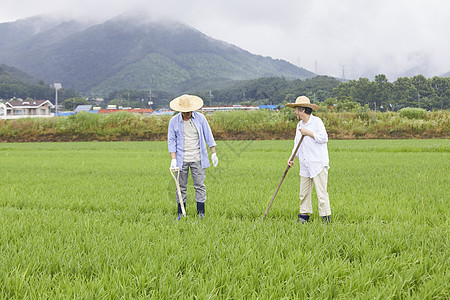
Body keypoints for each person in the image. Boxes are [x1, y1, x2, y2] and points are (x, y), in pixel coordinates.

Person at [167, 94, 218, 220]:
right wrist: (173, 159)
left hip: (198, 158)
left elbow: (208, 135)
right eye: (184, 111)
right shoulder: (173, 121)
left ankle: (201, 213)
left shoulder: (200, 118)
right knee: (181, 186)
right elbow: (171, 141)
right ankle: (180, 212)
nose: (187, 113)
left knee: (199, 185)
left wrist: (213, 153)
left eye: (189, 111)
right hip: (180, 159)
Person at [286, 96, 331, 223]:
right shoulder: (299, 124)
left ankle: (325, 219)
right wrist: (291, 158)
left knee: (321, 194)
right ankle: (304, 217)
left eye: (296, 109)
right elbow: (296, 144)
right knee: (303, 193)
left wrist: (308, 133)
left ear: (303, 110)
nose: (295, 112)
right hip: (305, 163)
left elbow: (324, 138)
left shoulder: (317, 122)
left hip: (318, 163)